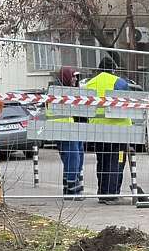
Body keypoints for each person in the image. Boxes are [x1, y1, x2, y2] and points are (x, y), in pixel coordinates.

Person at [84, 55, 130, 204]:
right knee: (117, 161)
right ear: (113, 70)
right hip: (119, 130)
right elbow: (130, 104)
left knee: (102, 161)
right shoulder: (119, 82)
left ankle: (103, 194)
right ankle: (113, 195)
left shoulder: (89, 84)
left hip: (98, 130)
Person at [47, 67, 85, 196]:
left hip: (71, 128)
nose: (75, 79)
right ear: (66, 76)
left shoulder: (69, 90)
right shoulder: (57, 91)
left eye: (77, 77)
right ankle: (71, 187)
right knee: (72, 157)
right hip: (62, 129)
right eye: (73, 76)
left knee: (78, 155)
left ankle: (71, 184)